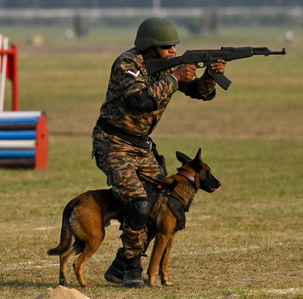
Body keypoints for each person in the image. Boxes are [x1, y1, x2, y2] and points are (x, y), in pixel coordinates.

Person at [91, 17, 226, 288]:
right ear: (150, 48)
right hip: (113, 143)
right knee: (138, 203)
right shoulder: (127, 65)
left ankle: (120, 264)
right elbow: (140, 101)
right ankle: (131, 268)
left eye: (174, 47)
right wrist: (175, 77)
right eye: (167, 48)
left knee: (159, 205)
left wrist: (210, 76)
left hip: (141, 145)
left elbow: (200, 92)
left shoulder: (169, 66)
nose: (173, 52)